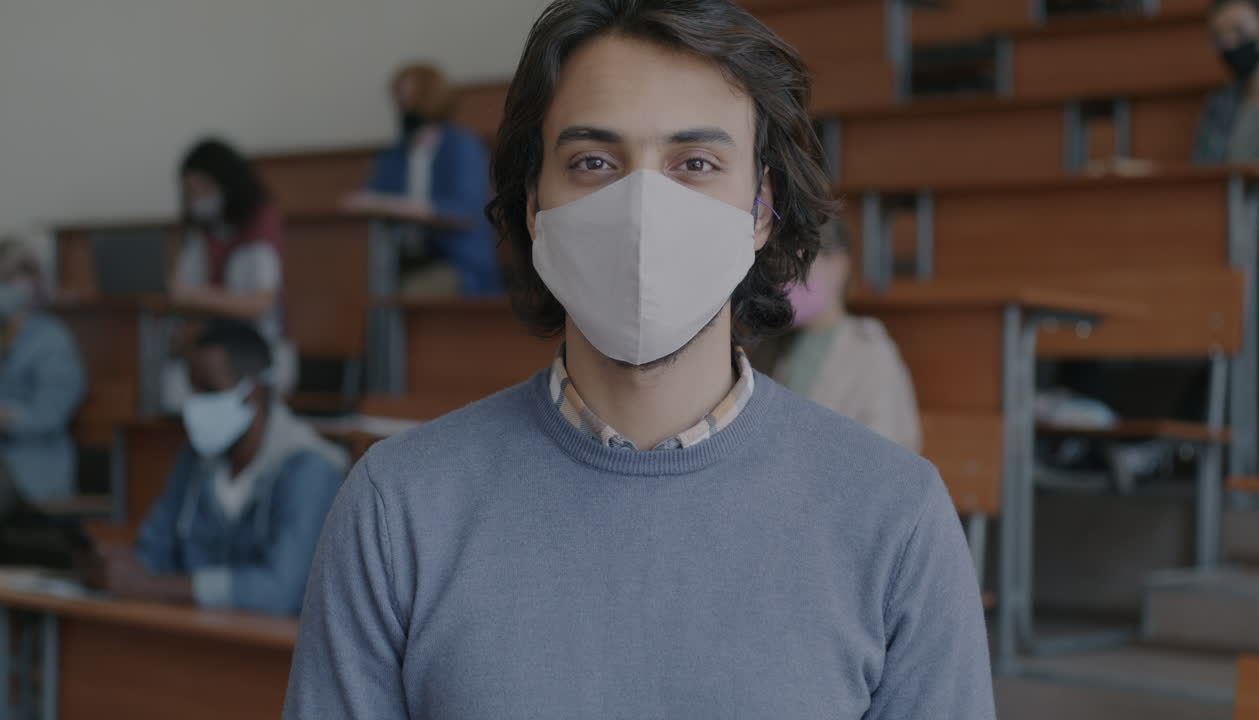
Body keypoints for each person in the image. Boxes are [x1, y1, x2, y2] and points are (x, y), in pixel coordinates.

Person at [285, 0, 994, 717]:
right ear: (534, 204)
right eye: (594, 162)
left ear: (760, 208)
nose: (642, 208)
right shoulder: (397, 508)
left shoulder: (896, 517)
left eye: (696, 162)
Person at [91, 320, 345, 616]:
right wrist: (115, 565)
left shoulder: (309, 469)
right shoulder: (196, 457)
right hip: (193, 635)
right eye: (192, 389)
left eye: (209, 389)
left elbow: (281, 590)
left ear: (254, 391)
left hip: (271, 653)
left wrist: (152, 585)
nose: (194, 404)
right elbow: (155, 548)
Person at [349, 63, 504, 297]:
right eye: (401, 99)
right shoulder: (396, 153)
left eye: (411, 98)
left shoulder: (463, 146)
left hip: (458, 264)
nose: (404, 106)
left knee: (408, 292)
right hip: (403, 259)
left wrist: (403, 207)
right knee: (359, 284)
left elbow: (464, 210)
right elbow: (370, 195)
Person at [167, 138, 297, 403]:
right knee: (172, 387)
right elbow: (181, 287)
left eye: (203, 189)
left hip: (258, 349)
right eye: (190, 192)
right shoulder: (201, 233)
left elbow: (259, 303)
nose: (197, 199)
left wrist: (196, 297)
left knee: (217, 387)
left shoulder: (259, 224)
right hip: (211, 346)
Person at [774, 221, 922, 452]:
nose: (788, 278)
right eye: (784, 266)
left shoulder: (872, 351)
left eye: (800, 263)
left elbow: (887, 455)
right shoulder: (776, 347)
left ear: (839, 265)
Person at [1196, 0, 1259, 350]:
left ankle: (1211, 402)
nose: (1230, 45)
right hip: (1229, 235)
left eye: (1239, 32)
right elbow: (1207, 173)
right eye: (1220, 37)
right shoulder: (1220, 104)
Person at [0, 237, 86, 503]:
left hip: (33, 470)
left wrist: (5, 417)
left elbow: (49, 415)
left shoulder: (53, 340)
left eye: (8, 278)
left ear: (34, 281)